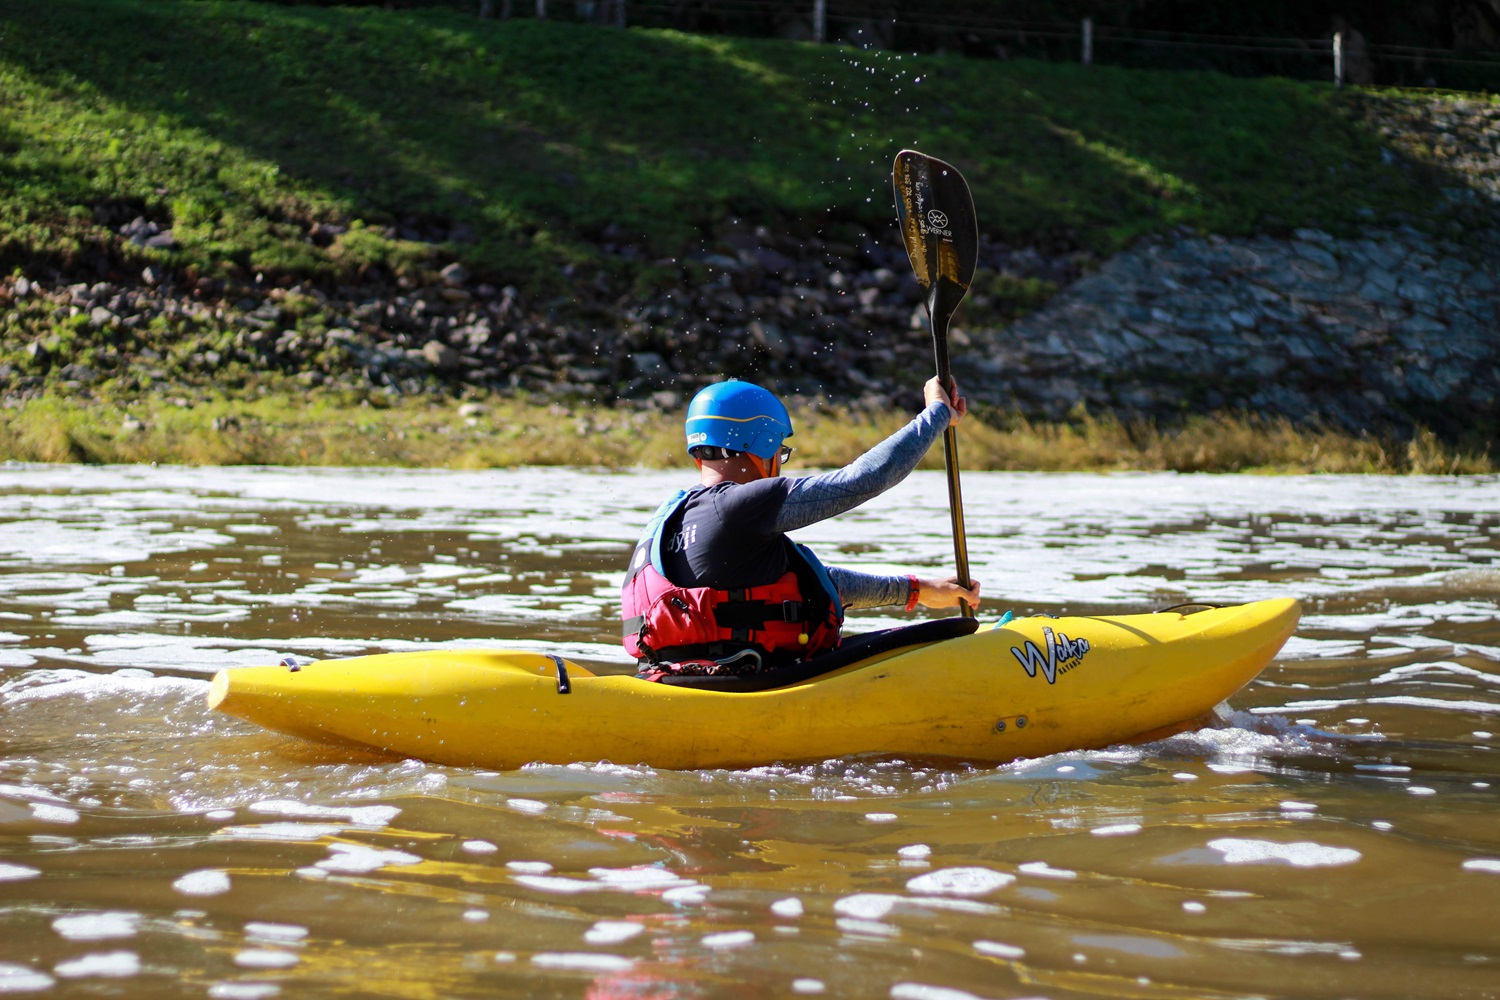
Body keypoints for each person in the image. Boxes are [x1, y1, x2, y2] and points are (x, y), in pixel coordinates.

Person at [620, 377, 982, 679]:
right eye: (780, 450)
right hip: (745, 685)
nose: (779, 460)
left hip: (678, 678)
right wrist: (935, 414)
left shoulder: (674, 517)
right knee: (936, 640)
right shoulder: (743, 505)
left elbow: (805, 589)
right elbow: (863, 480)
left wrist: (915, 590)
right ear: (761, 445)